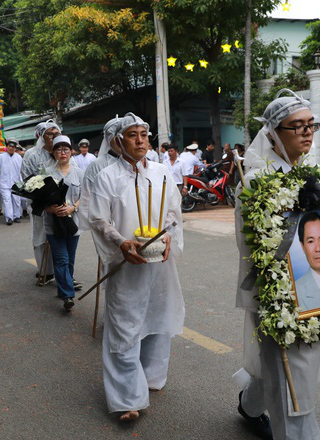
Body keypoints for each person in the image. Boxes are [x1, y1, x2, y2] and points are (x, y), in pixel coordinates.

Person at [233, 89, 320, 440]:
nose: (307, 132)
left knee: (295, 362)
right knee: (290, 370)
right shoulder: (256, 180)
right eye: (297, 126)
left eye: (311, 125)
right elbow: (251, 242)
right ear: (274, 132)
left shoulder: (316, 172)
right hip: (277, 288)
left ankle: (251, 403)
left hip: (316, 283)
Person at [88, 113, 184, 422]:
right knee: (125, 323)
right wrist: (120, 243)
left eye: (144, 134)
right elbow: (99, 220)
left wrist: (169, 237)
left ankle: (153, 377)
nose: (141, 139)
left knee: (158, 316)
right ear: (117, 141)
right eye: (133, 135)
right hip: (127, 265)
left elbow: (173, 211)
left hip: (159, 263)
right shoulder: (107, 177)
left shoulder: (161, 172)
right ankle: (127, 398)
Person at [44, 136, 84, 310]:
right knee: (61, 259)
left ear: (71, 152)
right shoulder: (45, 173)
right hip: (53, 224)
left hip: (73, 223)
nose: (63, 153)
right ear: (53, 152)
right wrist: (51, 209)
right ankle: (68, 295)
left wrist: (72, 208)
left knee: (70, 261)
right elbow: (36, 200)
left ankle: (62, 288)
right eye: (59, 149)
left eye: (66, 149)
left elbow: (86, 197)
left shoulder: (80, 173)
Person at [21, 120, 61, 285]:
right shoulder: (32, 155)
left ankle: (62, 272)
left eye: (56, 134)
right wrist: (43, 200)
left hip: (59, 204)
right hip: (40, 203)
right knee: (40, 237)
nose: (53, 137)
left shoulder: (61, 151)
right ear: (41, 135)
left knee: (59, 237)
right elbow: (27, 180)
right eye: (50, 134)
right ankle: (45, 271)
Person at [0, 138, 23, 225]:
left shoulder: (18, 157)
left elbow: (22, 170)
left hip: (16, 183)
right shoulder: (1, 156)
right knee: (7, 201)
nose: (11, 148)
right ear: (7, 147)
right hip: (5, 183)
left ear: (15, 148)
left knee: (17, 200)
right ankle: (9, 218)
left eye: (13, 147)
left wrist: (21, 183)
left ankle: (16, 216)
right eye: (10, 146)